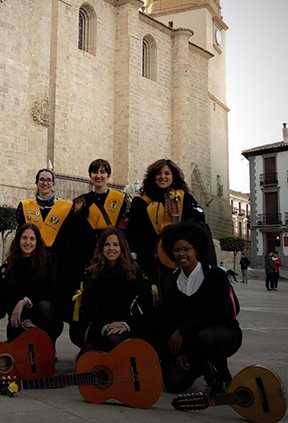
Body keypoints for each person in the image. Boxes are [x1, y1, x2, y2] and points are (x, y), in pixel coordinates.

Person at [160, 222, 242, 394]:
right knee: (173, 384)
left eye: (186, 249)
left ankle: (224, 376)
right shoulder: (170, 282)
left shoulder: (216, 276)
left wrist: (182, 332)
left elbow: (217, 314)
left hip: (220, 334)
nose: (181, 254)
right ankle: (203, 367)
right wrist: (179, 353)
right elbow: (168, 318)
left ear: (196, 250)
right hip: (189, 342)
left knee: (207, 335)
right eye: (176, 250)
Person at [127, 158, 214, 291]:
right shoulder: (141, 201)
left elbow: (199, 221)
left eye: (167, 173)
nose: (163, 177)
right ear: (152, 177)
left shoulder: (184, 198)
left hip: (178, 259)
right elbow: (133, 230)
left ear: (173, 177)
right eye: (158, 174)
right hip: (148, 258)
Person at [76, 229, 154, 355]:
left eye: (115, 245)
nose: (111, 248)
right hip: (100, 327)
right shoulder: (91, 274)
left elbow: (145, 306)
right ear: (101, 247)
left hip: (128, 327)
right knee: (85, 361)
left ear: (122, 247)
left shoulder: (135, 273)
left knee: (114, 340)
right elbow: (88, 308)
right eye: (107, 244)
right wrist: (105, 326)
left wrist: (125, 324)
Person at [17, 168, 75, 309]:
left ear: (53, 184)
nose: (45, 183)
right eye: (42, 180)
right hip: (31, 261)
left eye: (49, 180)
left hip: (55, 262)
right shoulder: (24, 206)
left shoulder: (65, 208)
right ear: (36, 183)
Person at [0, 223, 63, 345]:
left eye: (32, 239)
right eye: (24, 238)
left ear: (37, 242)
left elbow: (48, 292)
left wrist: (24, 301)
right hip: (19, 318)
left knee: (45, 306)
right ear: (18, 240)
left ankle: (49, 345)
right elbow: (7, 297)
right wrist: (24, 319)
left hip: (43, 316)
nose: (28, 242)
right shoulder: (10, 266)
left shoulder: (48, 262)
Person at [71, 159, 128, 289]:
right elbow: (76, 231)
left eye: (103, 172)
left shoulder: (121, 200)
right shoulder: (81, 202)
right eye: (94, 172)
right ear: (90, 176)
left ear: (108, 175)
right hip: (89, 253)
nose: (98, 176)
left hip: (112, 251)